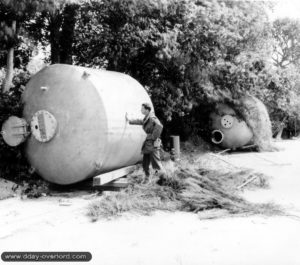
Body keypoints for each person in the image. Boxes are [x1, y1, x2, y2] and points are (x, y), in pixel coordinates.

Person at [126, 103, 164, 183]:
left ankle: (164, 179)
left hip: (153, 144)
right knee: (145, 163)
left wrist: (153, 137)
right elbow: (141, 122)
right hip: (148, 144)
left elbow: (159, 126)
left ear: (147, 110)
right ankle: (147, 179)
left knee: (156, 163)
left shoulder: (152, 117)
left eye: (142, 109)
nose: (141, 110)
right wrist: (130, 120)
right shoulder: (147, 118)